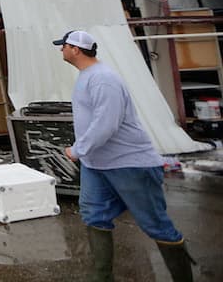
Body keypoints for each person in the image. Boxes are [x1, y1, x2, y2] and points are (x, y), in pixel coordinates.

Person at [56, 30, 195, 282]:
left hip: (129, 163)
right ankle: (101, 276)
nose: (60, 50)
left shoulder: (103, 79)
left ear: (75, 49)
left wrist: (77, 150)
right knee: (94, 214)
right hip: (97, 164)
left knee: (155, 224)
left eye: (63, 46)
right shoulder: (88, 76)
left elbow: (106, 124)